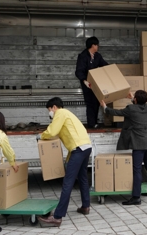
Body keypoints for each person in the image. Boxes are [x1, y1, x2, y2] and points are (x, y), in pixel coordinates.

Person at [37, 97, 92, 227]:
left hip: (79, 149)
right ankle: (85, 206)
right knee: (83, 178)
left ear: (54, 107)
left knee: (68, 182)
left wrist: (41, 136)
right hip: (86, 147)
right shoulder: (68, 114)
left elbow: (52, 131)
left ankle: (57, 217)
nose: (49, 113)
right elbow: (65, 135)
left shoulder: (60, 113)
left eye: (49, 110)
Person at [100, 90, 147, 205]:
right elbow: (138, 107)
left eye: (134, 97)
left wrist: (105, 107)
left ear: (135, 100)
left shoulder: (131, 109)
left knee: (137, 170)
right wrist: (133, 98)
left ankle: (136, 197)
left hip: (138, 144)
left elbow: (117, 112)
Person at [75, 36, 109, 128]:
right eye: (97, 45)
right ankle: (91, 124)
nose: (98, 47)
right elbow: (79, 71)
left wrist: (112, 69)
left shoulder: (97, 56)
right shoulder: (83, 56)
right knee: (90, 102)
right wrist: (84, 80)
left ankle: (95, 122)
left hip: (96, 83)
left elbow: (104, 65)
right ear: (92, 45)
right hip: (87, 83)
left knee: (97, 101)